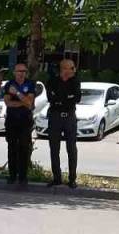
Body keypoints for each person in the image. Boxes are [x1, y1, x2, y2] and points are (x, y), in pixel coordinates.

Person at [45, 58, 81, 188]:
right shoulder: (53, 81)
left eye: (73, 68)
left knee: (71, 148)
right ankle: (57, 177)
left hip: (69, 118)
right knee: (54, 148)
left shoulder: (75, 82)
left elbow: (76, 98)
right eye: (70, 68)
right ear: (63, 69)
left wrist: (62, 99)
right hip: (55, 117)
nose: (72, 71)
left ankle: (72, 179)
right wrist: (65, 98)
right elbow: (51, 98)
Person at [3, 63, 37, 185]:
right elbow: (8, 103)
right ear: (14, 72)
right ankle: (12, 175)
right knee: (11, 147)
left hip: (25, 121)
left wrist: (17, 94)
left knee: (24, 148)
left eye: (24, 71)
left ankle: (22, 176)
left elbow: (29, 102)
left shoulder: (30, 84)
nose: (21, 73)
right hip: (12, 120)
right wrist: (23, 101)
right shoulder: (9, 84)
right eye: (19, 71)